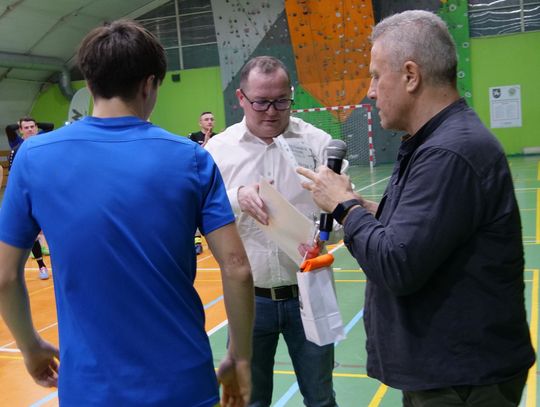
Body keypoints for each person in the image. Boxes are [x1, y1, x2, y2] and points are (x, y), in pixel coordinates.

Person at [0, 20, 254, 407]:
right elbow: (237, 268)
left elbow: (4, 277)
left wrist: (31, 346)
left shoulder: (33, 158)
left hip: (89, 390)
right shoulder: (192, 159)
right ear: (149, 84)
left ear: (89, 82)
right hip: (184, 384)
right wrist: (239, 357)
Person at [298, 10, 535, 407]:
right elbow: (428, 232)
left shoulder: (449, 151)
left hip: (462, 380)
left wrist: (345, 207)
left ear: (411, 75)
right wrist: (368, 210)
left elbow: (397, 263)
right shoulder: (438, 142)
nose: (371, 91)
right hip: (452, 372)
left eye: (376, 76)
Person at [205, 56, 339, 407]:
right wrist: (236, 197)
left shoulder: (319, 144)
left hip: (309, 290)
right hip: (249, 300)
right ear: (241, 98)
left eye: (281, 101)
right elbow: (198, 214)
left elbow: (343, 215)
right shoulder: (218, 151)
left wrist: (327, 230)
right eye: (261, 102)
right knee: (250, 400)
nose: (272, 112)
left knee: (321, 398)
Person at [7, 117, 51, 280]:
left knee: (52, 227)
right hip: (25, 194)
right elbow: (9, 128)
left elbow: (50, 126)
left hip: (44, 191)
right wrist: (21, 123)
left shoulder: (42, 141)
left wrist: (34, 123)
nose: (30, 129)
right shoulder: (17, 145)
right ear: (20, 130)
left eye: (33, 126)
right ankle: (41, 266)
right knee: (31, 230)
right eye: (26, 127)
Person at [189, 112, 217, 254]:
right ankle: (197, 242)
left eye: (212, 119)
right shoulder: (193, 137)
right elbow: (192, 156)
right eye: (206, 119)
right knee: (195, 210)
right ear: (200, 123)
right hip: (198, 179)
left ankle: (216, 242)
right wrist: (206, 143)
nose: (209, 121)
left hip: (215, 178)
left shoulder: (219, 138)